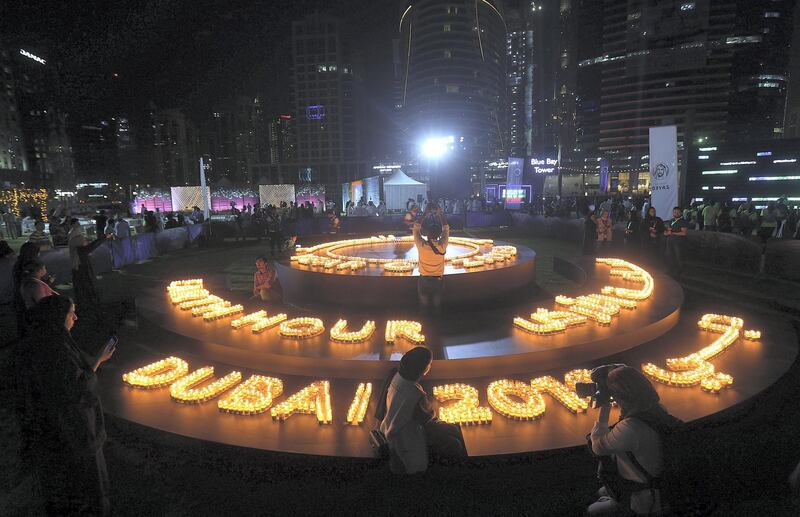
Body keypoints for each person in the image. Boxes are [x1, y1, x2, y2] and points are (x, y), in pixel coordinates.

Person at [19, 295, 115, 514]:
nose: (76, 317)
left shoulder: (46, 341)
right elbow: (76, 389)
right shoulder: (56, 350)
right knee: (93, 483)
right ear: (58, 317)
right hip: (77, 429)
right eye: (72, 312)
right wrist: (97, 361)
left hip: (60, 430)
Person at [587, 365, 682, 516]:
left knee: (592, 511)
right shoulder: (655, 410)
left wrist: (604, 405)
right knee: (602, 491)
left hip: (645, 498)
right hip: (660, 478)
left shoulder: (630, 427)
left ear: (619, 396)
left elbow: (597, 446)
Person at [375, 346, 467, 474]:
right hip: (407, 439)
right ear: (425, 369)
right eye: (429, 364)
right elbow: (428, 420)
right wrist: (443, 422)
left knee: (452, 430)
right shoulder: (415, 394)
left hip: (389, 426)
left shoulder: (395, 375)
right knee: (455, 442)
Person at [413, 205, 449, 316]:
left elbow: (415, 227)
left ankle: (425, 323)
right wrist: (440, 214)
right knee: (437, 306)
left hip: (424, 279)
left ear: (426, 234)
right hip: (438, 280)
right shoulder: (442, 246)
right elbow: (446, 228)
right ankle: (436, 324)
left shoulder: (421, 245)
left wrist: (425, 213)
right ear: (439, 235)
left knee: (424, 306)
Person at [68, 218, 108, 314]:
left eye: (79, 224)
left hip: (78, 264)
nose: (79, 226)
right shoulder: (76, 236)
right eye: (77, 224)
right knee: (86, 284)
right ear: (73, 225)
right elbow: (86, 250)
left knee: (82, 285)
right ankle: (89, 305)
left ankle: (85, 304)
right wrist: (102, 239)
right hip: (80, 264)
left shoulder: (74, 234)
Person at [664, 207, 688, 277]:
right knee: (669, 255)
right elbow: (668, 230)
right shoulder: (671, 220)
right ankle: (670, 270)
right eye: (674, 212)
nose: (676, 213)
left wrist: (673, 233)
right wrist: (666, 232)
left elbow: (684, 233)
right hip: (670, 241)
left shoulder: (683, 221)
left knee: (679, 257)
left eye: (677, 212)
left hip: (678, 242)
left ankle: (679, 272)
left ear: (680, 213)